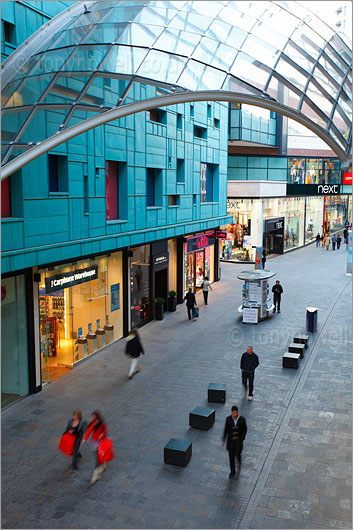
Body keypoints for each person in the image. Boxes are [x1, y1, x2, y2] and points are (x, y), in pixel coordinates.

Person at [82, 410, 108, 484]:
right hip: (94, 441)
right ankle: (103, 464)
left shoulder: (102, 423)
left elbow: (105, 431)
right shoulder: (93, 423)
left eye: (93, 417)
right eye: (91, 417)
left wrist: (102, 435)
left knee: (97, 458)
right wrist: (85, 439)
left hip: (101, 441)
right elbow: (89, 431)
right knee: (96, 454)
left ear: (96, 417)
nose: (91, 418)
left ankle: (95, 475)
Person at [222, 405, 247, 478]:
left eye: (235, 413)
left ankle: (239, 460)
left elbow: (245, 429)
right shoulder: (228, 419)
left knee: (238, 453)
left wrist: (242, 438)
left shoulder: (242, 419)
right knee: (231, 457)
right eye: (233, 413)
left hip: (238, 441)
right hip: (231, 442)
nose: (234, 415)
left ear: (237, 412)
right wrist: (224, 439)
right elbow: (226, 430)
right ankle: (232, 471)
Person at [63, 409, 85, 475]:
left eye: (76, 415)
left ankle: (75, 467)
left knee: (74, 452)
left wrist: (82, 435)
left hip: (77, 437)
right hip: (71, 437)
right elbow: (68, 427)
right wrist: (65, 433)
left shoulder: (82, 422)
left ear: (79, 416)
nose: (74, 416)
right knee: (73, 449)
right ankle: (78, 453)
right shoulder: (70, 420)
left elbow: (84, 429)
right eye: (74, 415)